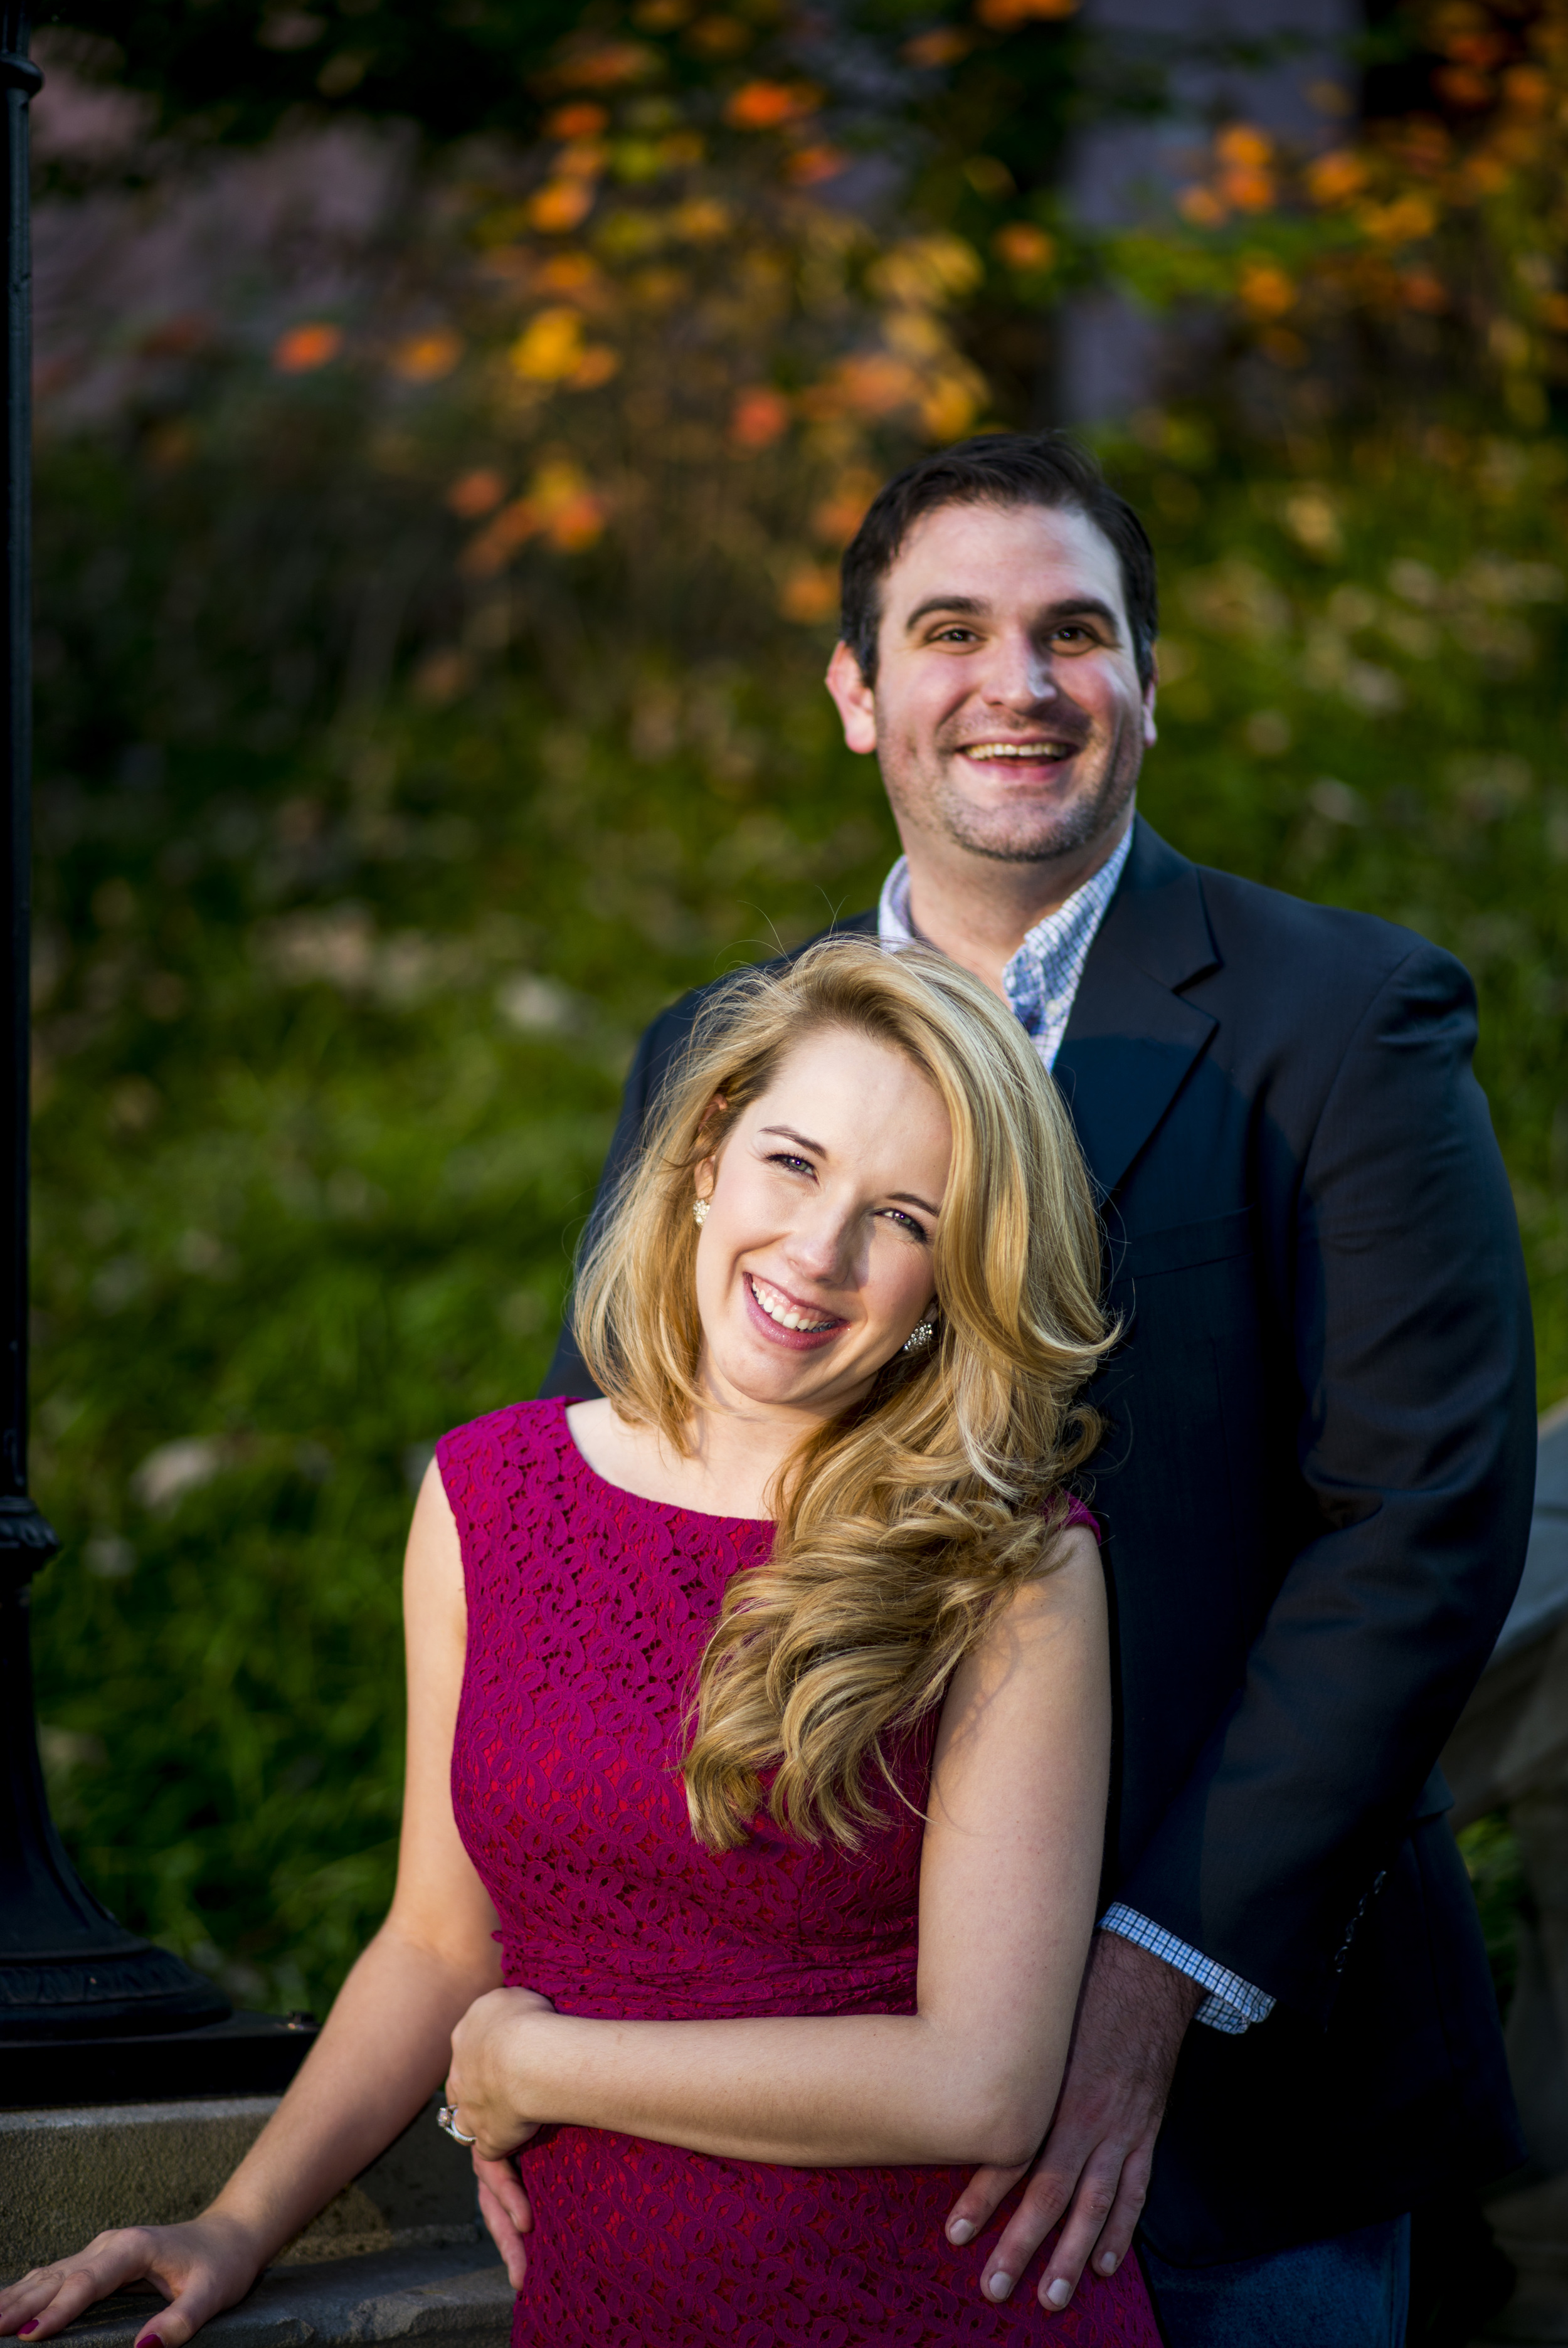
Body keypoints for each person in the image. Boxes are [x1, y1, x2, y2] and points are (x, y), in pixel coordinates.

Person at [538, 431, 1538, 2344]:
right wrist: (579, 2015)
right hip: (785, 2085)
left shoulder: (1348, 1021)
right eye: (949, 632)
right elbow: (614, 1523)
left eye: (1073, 632)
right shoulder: (714, 1052)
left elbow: (1418, 1529)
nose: (1017, 685)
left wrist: (1151, 1972)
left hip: (1230, 2112)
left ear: (1146, 685)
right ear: (856, 694)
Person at [0, 938, 1164, 2347]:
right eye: (792, 1163)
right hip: (609, 2305)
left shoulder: (1016, 1562)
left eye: (903, 1217)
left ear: (951, 1280)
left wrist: (541, 2062)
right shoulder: (487, 1495)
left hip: (923, 2303)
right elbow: (437, 1938)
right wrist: (235, 2225)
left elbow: (978, 2082)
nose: (818, 1250)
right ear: (702, 1162)